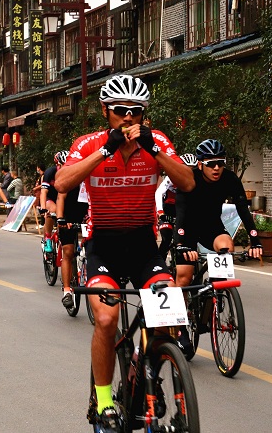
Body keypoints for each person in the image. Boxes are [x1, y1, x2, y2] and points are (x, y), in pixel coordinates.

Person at [55, 74, 194, 432]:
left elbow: (187, 182)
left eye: (137, 111)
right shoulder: (88, 143)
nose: (129, 117)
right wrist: (106, 150)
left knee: (168, 319)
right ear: (106, 111)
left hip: (144, 247)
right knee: (106, 319)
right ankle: (103, 400)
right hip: (103, 246)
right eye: (120, 110)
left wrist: (155, 151)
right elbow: (63, 182)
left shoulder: (157, 140)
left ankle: (148, 371)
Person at [173, 139, 263, 359]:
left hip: (211, 226)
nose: (216, 168)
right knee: (184, 277)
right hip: (187, 228)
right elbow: (181, 213)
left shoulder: (230, 178)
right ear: (200, 164)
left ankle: (217, 292)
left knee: (226, 246)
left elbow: (243, 210)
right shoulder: (189, 178)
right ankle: (180, 327)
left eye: (220, 163)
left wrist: (255, 241)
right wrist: (181, 244)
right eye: (211, 164)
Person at [55, 151, 89, 310]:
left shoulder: (91, 177)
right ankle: (67, 291)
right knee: (68, 251)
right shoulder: (70, 177)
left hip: (87, 217)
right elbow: (60, 198)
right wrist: (61, 219)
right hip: (68, 217)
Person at [155, 153, 198, 261]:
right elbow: (159, 193)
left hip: (183, 210)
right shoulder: (171, 177)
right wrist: (160, 212)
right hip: (168, 210)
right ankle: (160, 263)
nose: (189, 172)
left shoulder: (196, 179)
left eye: (193, 169)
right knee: (167, 238)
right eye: (187, 168)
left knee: (189, 237)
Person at [40, 153, 65, 253]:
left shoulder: (71, 172)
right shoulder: (50, 172)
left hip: (63, 198)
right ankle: (48, 238)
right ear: (58, 165)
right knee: (53, 211)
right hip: (50, 198)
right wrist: (43, 208)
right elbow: (43, 192)